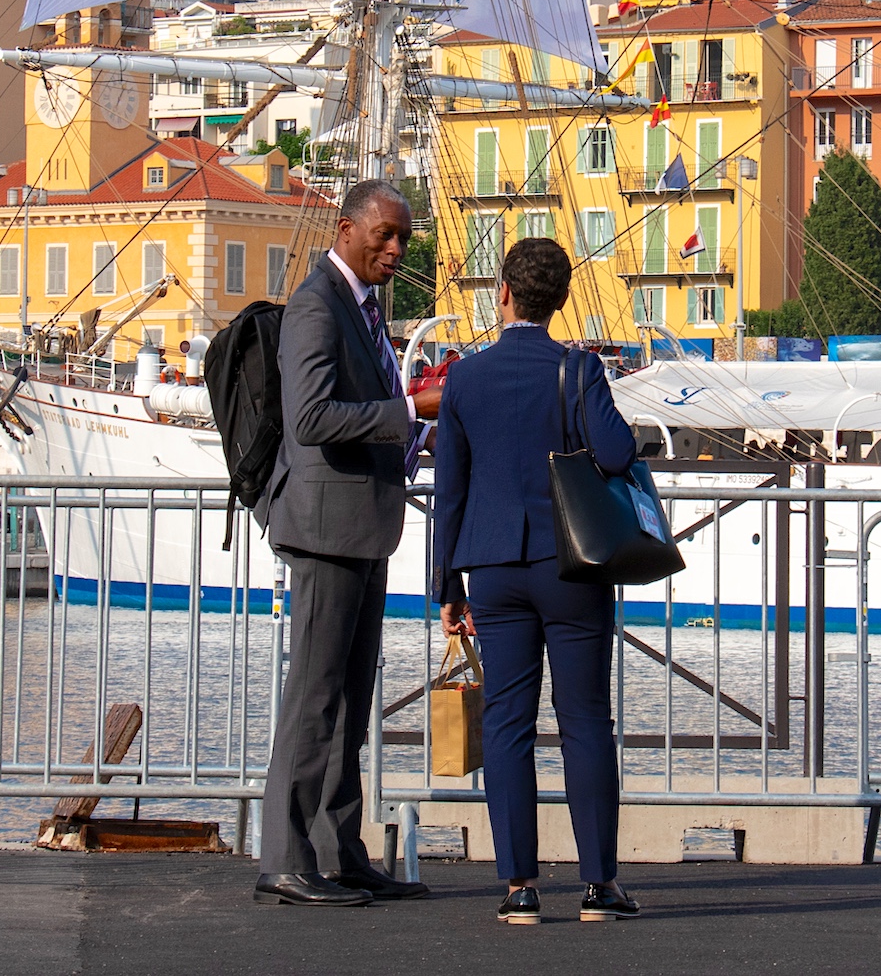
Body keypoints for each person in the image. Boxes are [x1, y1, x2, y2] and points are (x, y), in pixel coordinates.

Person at [435, 237, 642, 926]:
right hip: (571, 565)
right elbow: (616, 452)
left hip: (492, 568)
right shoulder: (577, 367)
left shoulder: (464, 378)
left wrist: (447, 586)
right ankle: (598, 886)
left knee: (508, 723)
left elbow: (450, 490)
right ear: (559, 300)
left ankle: (520, 886)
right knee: (584, 720)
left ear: (504, 293)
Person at [252, 179, 441, 907]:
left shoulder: (362, 308)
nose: (396, 248)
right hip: (326, 530)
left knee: (349, 695)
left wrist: (416, 425)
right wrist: (408, 407)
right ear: (346, 227)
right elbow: (312, 418)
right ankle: (287, 856)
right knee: (314, 696)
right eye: (385, 234)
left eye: (403, 237)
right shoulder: (315, 305)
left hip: (362, 527)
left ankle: (338, 848)